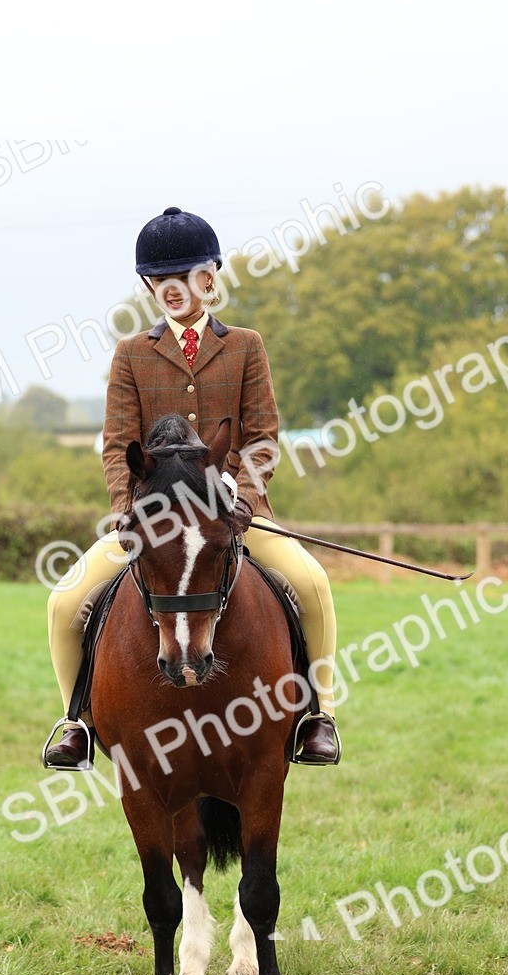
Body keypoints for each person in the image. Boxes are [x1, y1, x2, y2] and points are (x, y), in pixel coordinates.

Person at [44, 206, 340, 768]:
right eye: (160, 280)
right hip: (154, 522)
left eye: (184, 277)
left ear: (210, 277)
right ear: (148, 285)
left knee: (313, 582)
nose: (171, 289)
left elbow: (262, 438)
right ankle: (76, 722)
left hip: (233, 517)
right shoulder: (131, 354)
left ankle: (317, 716)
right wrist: (125, 509)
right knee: (63, 603)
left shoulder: (246, 345)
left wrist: (242, 499)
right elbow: (117, 446)